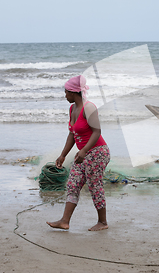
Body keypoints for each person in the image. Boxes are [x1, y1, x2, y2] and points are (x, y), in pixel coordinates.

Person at [47, 75, 110, 231]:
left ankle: (103, 222)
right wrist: (63, 155)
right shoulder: (72, 108)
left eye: (66, 92)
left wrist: (84, 150)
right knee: (73, 184)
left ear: (74, 93)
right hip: (83, 153)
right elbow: (72, 135)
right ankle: (64, 221)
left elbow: (97, 131)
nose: (65, 95)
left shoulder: (89, 107)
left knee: (94, 185)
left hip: (97, 152)